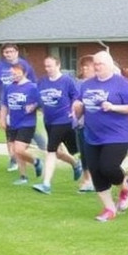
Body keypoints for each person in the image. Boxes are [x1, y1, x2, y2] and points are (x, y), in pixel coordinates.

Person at [72, 51, 128, 222]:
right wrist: (77, 108)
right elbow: (80, 106)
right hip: (92, 135)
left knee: (108, 167)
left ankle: (125, 183)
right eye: (95, 64)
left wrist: (113, 107)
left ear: (109, 64)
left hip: (117, 135)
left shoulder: (121, 83)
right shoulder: (87, 85)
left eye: (100, 63)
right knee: (96, 171)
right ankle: (109, 208)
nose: (96, 67)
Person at [32, 56, 82, 194]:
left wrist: (73, 110)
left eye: (50, 66)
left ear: (58, 65)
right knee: (58, 152)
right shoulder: (42, 81)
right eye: (46, 66)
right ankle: (76, 164)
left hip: (63, 120)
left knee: (51, 151)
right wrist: (34, 106)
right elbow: (39, 98)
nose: (47, 69)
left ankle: (46, 184)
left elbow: (76, 96)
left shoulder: (67, 81)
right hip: (49, 121)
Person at [0, 43, 42, 172]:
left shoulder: (25, 66)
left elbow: (34, 85)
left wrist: (33, 104)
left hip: (23, 105)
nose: (9, 54)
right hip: (7, 105)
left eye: (11, 51)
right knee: (10, 135)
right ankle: (13, 159)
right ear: (3, 54)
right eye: (6, 52)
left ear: (16, 52)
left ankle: (41, 144)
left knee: (25, 131)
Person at [0, 63, 42, 185]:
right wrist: (2, 119)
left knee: (19, 149)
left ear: (24, 73)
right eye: (12, 74)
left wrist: (33, 106)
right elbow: (4, 105)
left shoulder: (32, 87)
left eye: (17, 73)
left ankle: (36, 161)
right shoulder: (9, 87)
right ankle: (23, 177)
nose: (14, 76)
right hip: (13, 123)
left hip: (27, 123)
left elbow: (41, 101)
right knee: (15, 151)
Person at [75, 56, 96, 192]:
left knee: (97, 155)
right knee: (84, 153)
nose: (84, 68)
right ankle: (87, 179)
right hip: (81, 123)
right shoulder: (79, 84)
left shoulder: (100, 84)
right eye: (83, 66)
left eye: (88, 66)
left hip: (97, 125)